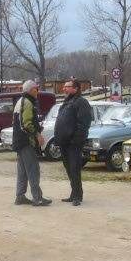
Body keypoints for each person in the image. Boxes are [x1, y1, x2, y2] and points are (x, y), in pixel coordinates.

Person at [54, 78, 94, 206]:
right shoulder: (67, 102)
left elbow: (84, 123)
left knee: (74, 168)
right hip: (64, 142)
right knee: (68, 169)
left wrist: (76, 139)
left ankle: (78, 196)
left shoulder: (81, 102)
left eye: (67, 86)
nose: (64, 88)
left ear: (75, 89)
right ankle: (74, 193)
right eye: (64, 86)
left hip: (74, 143)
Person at [11, 80, 51, 207]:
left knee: (23, 170)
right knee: (33, 169)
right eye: (36, 89)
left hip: (19, 141)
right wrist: (37, 134)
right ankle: (37, 198)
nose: (37, 91)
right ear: (30, 90)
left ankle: (20, 196)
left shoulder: (21, 101)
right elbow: (26, 124)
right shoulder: (27, 102)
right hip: (26, 141)